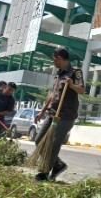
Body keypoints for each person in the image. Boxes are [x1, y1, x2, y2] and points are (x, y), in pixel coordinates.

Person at [33, 47, 84, 182]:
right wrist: (42, 111)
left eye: (54, 59)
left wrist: (72, 85)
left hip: (66, 116)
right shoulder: (59, 74)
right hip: (52, 113)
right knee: (39, 140)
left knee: (53, 144)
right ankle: (58, 164)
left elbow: (81, 90)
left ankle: (43, 172)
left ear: (58, 57)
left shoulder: (76, 72)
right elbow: (52, 94)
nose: (53, 62)